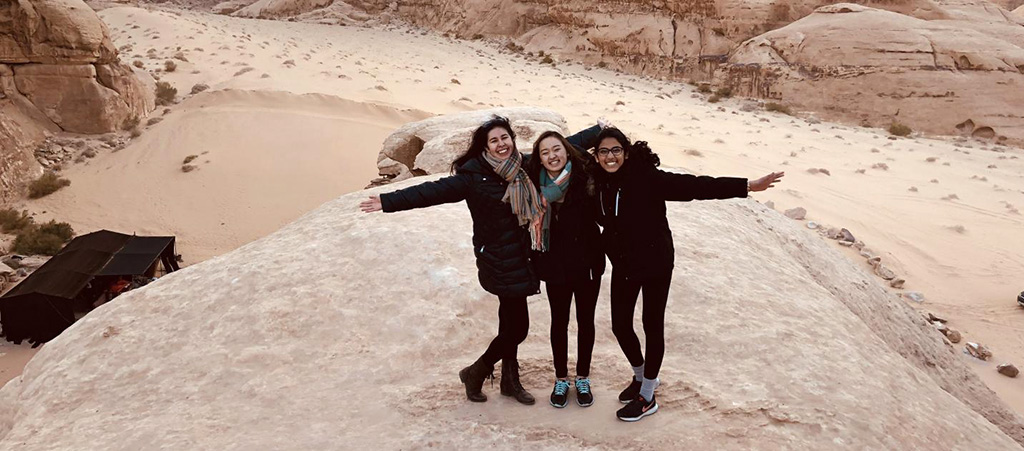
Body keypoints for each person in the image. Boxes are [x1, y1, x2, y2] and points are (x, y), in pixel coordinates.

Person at [359, 116, 601, 405]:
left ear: (513, 140)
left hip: (522, 257)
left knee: (509, 322)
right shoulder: (472, 176)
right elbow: (431, 192)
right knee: (517, 328)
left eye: (505, 138)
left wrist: (597, 131)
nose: (501, 145)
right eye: (494, 140)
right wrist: (388, 202)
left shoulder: (523, 166)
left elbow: (562, 147)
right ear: (485, 146)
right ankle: (476, 372)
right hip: (498, 260)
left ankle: (510, 380)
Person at [588, 127, 784, 422]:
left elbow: (696, 187)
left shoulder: (648, 178)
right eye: (604, 151)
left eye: (616, 150)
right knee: (620, 326)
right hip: (625, 265)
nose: (610, 156)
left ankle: (648, 396)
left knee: (652, 325)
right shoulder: (599, 183)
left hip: (656, 263)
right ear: (597, 156)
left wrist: (747, 186)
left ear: (626, 153)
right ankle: (642, 377)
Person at [526, 130, 605, 408]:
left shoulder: (585, 176)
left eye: (557, 149)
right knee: (558, 322)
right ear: (539, 158)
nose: (552, 156)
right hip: (555, 266)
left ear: (567, 150)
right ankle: (561, 379)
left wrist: (598, 130)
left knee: (585, 322)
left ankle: (582, 377)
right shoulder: (534, 183)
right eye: (545, 152)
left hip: (587, 264)